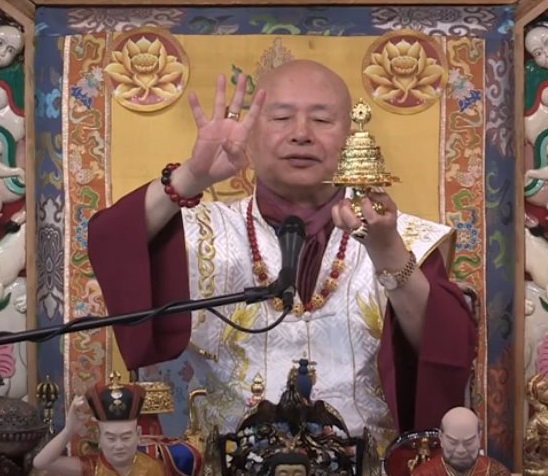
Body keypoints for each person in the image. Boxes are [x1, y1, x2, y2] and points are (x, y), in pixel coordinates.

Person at [87, 59, 476, 451]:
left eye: (321, 120)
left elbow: (446, 354)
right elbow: (111, 242)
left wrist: (387, 251)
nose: (301, 134)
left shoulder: (400, 236)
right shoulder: (200, 230)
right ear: (250, 135)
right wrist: (191, 177)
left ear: (351, 136)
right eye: (281, 118)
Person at [32, 373, 166, 475]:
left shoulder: (152, 468)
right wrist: (69, 430)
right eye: (111, 438)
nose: (119, 446)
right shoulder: (93, 467)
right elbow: (41, 463)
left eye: (126, 437)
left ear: (138, 435)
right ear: (100, 438)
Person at [411, 407, 510, 476]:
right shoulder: (423, 474)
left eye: (468, 442)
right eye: (453, 442)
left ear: (479, 438)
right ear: (441, 438)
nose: (461, 450)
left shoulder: (497, 473)